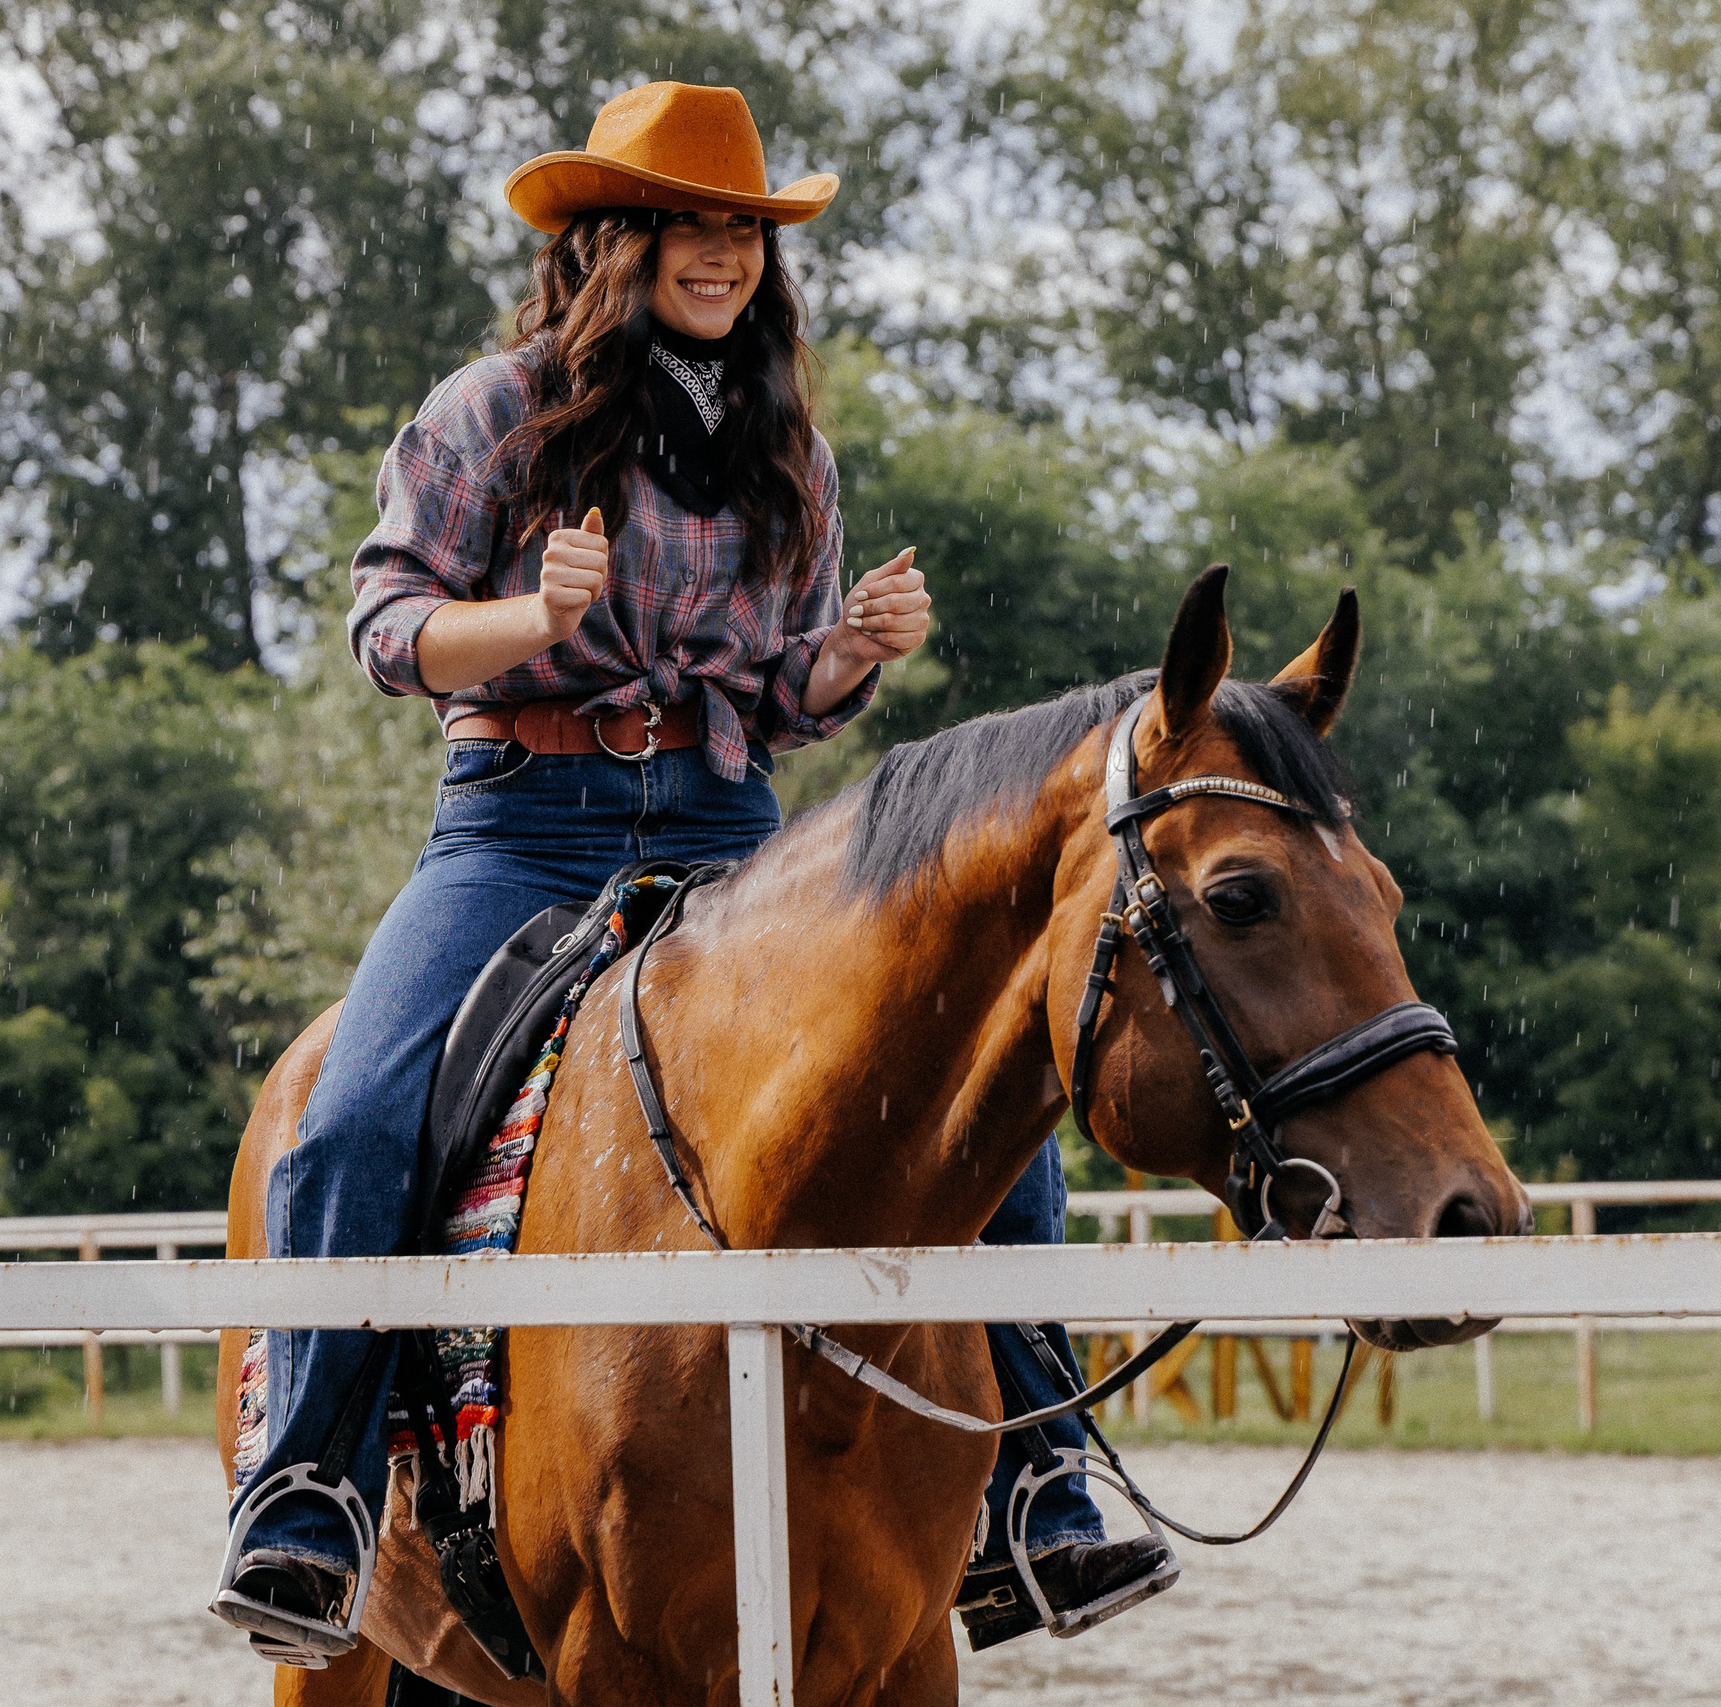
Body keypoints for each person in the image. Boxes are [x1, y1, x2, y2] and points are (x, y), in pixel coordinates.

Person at [210, 81, 1174, 1664]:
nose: (724, 256)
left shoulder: (789, 446)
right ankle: (308, 1490)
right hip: (520, 818)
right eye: (693, 225)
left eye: (745, 230)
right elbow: (385, 628)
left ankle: (1045, 1475)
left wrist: (846, 655)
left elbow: (781, 694)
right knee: (358, 1111)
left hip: (731, 820)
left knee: (975, 1081)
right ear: (618, 236)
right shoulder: (487, 414)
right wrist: (525, 625)